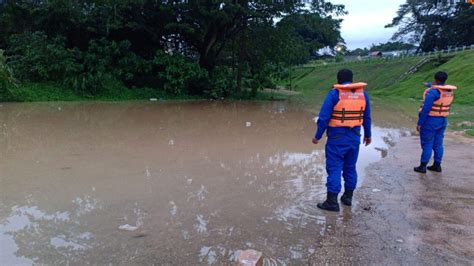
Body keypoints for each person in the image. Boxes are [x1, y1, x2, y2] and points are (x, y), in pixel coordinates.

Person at [312, 69, 372, 212]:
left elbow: (324, 118)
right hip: (355, 138)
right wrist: (368, 135)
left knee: (334, 168)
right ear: (352, 79)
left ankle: (332, 202)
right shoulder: (363, 95)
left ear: (338, 80)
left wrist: (317, 136)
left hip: (336, 138)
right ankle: (347, 198)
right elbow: (367, 117)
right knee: (350, 168)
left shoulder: (334, 94)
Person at [414, 71, 456, 173]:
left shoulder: (433, 92)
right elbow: (435, 85)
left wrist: (420, 123)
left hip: (430, 121)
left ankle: (422, 166)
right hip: (443, 120)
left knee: (427, 143)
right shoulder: (447, 91)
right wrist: (427, 84)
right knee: (438, 144)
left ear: (436, 79)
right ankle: (437, 165)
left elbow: (426, 109)